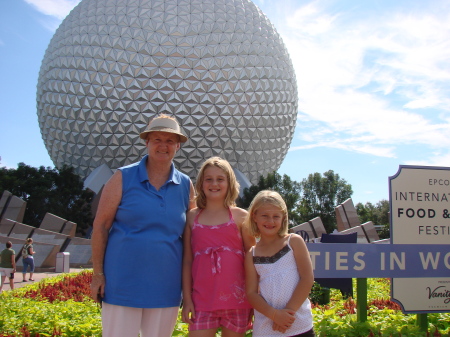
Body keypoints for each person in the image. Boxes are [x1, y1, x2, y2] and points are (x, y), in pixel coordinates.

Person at [89, 114, 195, 337]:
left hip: (166, 286)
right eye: (157, 139)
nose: (163, 146)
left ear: (178, 145)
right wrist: (98, 274)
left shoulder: (186, 185)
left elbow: (192, 237)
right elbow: (100, 226)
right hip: (122, 285)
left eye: (169, 141)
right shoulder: (122, 177)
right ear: (147, 142)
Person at [182, 157, 256, 337]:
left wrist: (255, 298)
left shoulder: (240, 217)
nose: (214, 184)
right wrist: (187, 298)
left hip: (238, 301)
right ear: (201, 183)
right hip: (202, 300)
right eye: (209, 179)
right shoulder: (192, 217)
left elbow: (253, 258)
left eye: (220, 179)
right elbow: (187, 260)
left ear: (229, 183)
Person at [244, 190, 315, 337]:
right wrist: (275, 315)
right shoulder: (252, 254)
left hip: (298, 324)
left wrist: (288, 315)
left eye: (276, 216)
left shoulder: (294, 242)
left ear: (283, 218)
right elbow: (251, 292)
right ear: (254, 216)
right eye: (265, 216)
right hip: (267, 328)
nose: (270, 221)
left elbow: (307, 278)